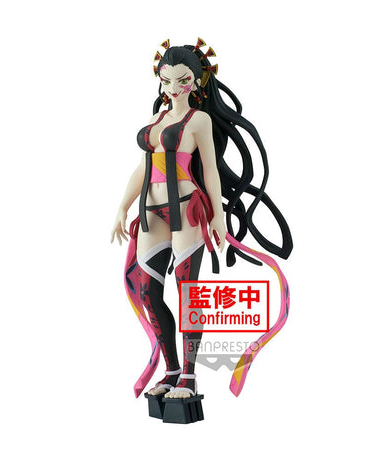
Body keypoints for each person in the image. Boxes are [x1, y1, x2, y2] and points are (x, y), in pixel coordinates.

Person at [110, 38, 292, 398]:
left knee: (188, 294)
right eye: (166, 80)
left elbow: (209, 168)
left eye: (182, 80)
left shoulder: (200, 120)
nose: (173, 88)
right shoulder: (156, 120)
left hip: (186, 207)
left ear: (197, 81)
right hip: (150, 210)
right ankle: (172, 370)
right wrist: (122, 206)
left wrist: (218, 215)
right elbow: (143, 167)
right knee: (148, 292)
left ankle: (190, 378)